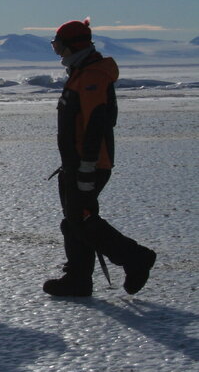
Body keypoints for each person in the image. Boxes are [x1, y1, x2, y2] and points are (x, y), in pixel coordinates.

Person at [44, 19, 157, 297]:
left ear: (72, 45)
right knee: (75, 220)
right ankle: (79, 280)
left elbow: (95, 126)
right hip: (77, 163)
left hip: (90, 164)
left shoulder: (92, 76)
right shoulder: (82, 72)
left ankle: (135, 258)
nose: (57, 51)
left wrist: (85, 169)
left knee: (81, 219)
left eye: (58, 45)